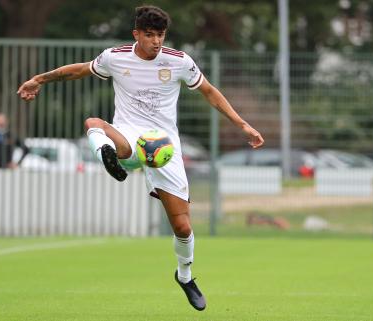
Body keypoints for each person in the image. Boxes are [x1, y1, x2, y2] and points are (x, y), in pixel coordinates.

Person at [17, 5, 264, 311]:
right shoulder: (115, 57)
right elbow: (78, 70)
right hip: (130, 137)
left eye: (160, 34)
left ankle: (184, 276)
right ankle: (110, 157)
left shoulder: (179, 62)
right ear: (137, 34)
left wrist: (242, 125)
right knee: (94, 123)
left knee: (183, 228)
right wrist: (38, 80)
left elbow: (210, 92)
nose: (156, 41)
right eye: (149, 35)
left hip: (164, 149)